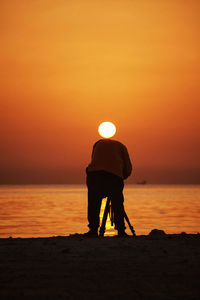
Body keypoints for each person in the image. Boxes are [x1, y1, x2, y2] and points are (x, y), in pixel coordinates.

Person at [85, 138, 132, 237]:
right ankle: (121, 231)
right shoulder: (122, 146)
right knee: (117, 203)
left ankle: (93, 230)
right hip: (114, 177)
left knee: (94, 202)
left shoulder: (97, 144)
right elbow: (128, 169)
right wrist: (121, 177)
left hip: (94, 175)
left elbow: (93, 160)